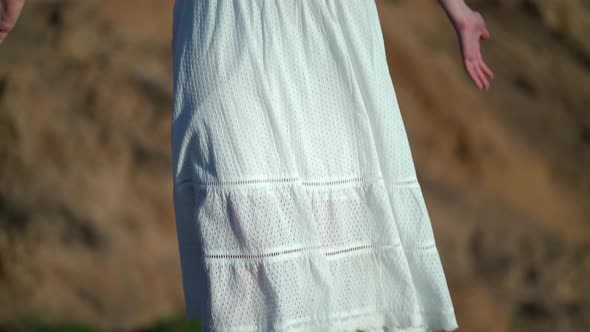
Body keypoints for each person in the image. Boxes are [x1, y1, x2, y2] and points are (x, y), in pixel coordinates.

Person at [1, 0, 493, 331]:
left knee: (333, 238)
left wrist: (457, 10)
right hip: (224, 24)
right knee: (245, 218)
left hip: (323, 28)